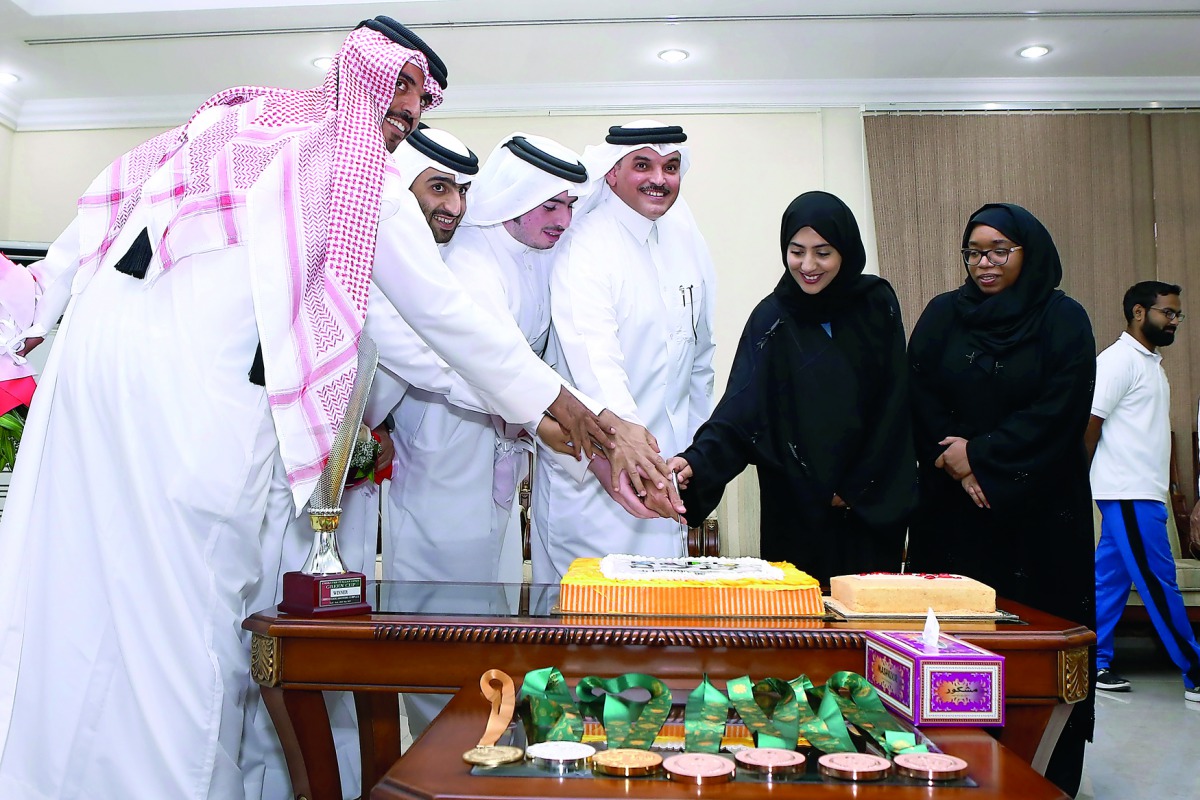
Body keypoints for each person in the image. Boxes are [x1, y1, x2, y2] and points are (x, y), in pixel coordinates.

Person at [0, 18, 670, 799]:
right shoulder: (353, 166)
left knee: (88, 599)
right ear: (359, 77)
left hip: (95, 381)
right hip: (192, 415)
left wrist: (35, 316)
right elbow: (447, 316)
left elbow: (97, 215)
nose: (402, 122)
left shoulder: (233, 122)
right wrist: (589, 420)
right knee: (179, 639)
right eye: (399, 98)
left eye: (416, 114)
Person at [907, 202, 1095, 796]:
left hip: (1040, 515)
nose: (985, 264)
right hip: (955, 519)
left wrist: (982, 456)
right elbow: (917, 392)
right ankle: (942, 769)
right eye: (975, 252)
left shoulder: (1064, 320)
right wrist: (959, 465)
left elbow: (1060, 409)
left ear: (1028, 252)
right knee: (955, 650)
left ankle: (1046, 776)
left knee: (1037, 652)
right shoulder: (944, 315)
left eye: (999, 251)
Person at [667, 191, 916, 584]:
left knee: (868, 619)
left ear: (846, 251)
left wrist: (853, 488)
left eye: (823, 252)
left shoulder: (876, 303)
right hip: (798, 505)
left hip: (869, 503)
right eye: (796, 251)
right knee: (801, 623)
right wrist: (697, 462)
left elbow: (893, 402)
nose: (808, 265)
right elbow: (742, 408)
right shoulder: (773, 318)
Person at [386, 133, 590, 586]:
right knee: (437, 595)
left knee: (492, 590)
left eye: (570, 204)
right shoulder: (469, 257)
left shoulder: (539, 256)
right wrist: (548, 420)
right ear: (516, 198)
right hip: (446, 443)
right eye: (550, 204)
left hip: (499, 442)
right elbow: (476, 362)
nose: (564, 219)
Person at [532, 120, 717, 582]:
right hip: (597, 482)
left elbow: (700, 357)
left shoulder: (686, 239)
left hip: (665, 476)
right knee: (590, 629)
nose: (660, 178)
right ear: (611, 173)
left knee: (661, 630)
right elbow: (596, 363)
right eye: (643, 165)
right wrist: (636, 452)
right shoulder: (584, 242)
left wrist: (694, 453)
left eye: (671, 167)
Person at [1086, 281, 1200, 702]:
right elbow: (1090, 424)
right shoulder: (1117, 361)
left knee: (1109, 583)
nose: (1174, 321)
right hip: (1128, 490)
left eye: (1177, 315)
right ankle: (1196, 671)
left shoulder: (1151, 362)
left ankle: (1091, 661)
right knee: (1158, 582)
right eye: (1166, 313)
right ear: (1138, 312)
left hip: (1141, 490)